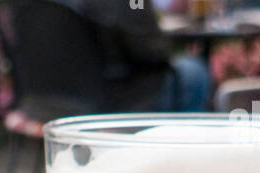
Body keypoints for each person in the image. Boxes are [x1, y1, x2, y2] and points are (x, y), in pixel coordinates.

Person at [60, 0, 212, 111]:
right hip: (119, 94)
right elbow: (152, 51)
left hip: (61, 91)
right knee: (193, 71)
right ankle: (181, 148)